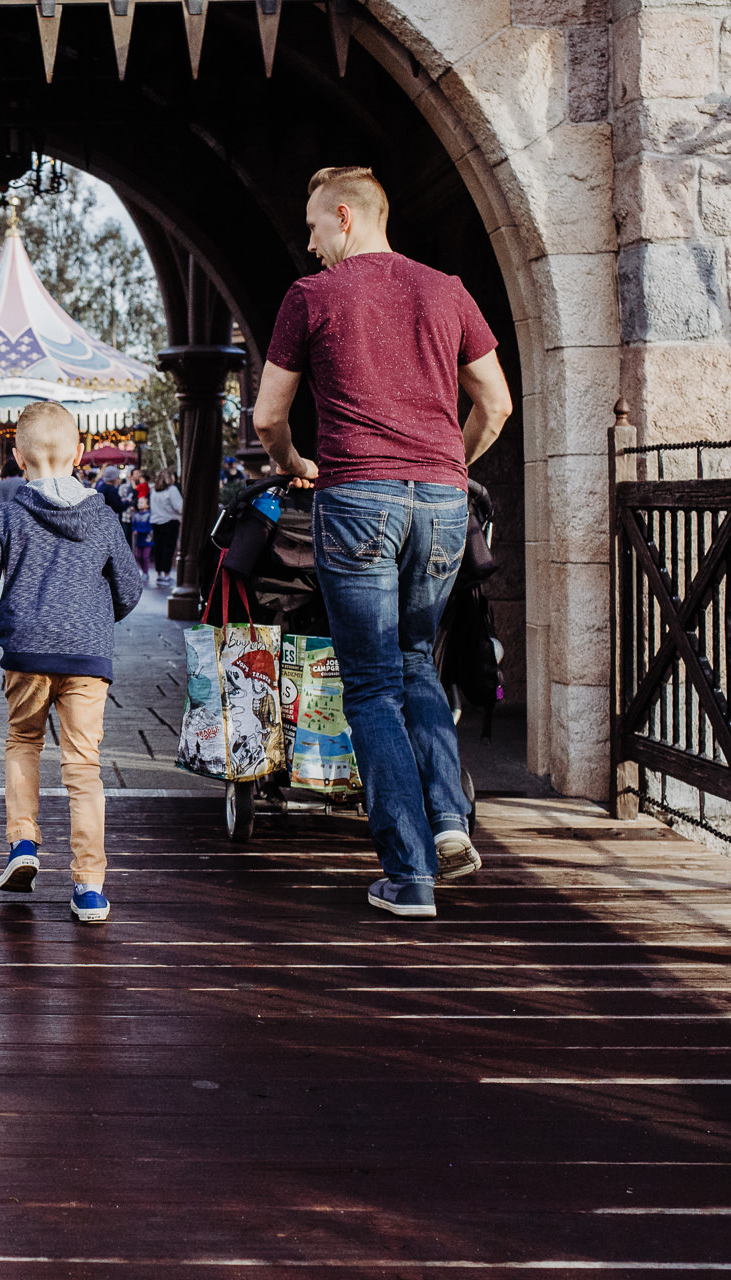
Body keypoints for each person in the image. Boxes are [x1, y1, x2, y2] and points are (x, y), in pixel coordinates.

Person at [252, 165, 513, 920]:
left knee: (368, 685)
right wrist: (448, 467)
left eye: (312, 228)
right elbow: (494, 403)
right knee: (417, 665)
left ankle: (409, 873)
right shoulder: (447, 290)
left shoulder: (314, 298)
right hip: (440, 501)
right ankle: (449, 824)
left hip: (357, 495)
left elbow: (272, 415)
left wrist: (296, 465)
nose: (308, 245)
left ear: (345, 216)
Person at [0, 403, 145, 923]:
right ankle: (89, 887)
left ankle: (23, 844)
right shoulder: (104, 516)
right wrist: (94, 618)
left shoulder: (7, 515)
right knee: (83, 768)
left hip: (27, 654)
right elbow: (128, 590)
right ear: (80, 455)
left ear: (18, 458)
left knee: (23, 743)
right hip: (88, 658)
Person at [150, 471, 183, 588]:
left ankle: (159, 573)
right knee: (168, 548)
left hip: (156, 521)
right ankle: (166, 574)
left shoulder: (154, 491)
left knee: (158, 548)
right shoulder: (172, 490)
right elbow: (179, 507)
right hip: (169, 521)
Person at [130, 494, 154, 581]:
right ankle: (143, 571)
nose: (140, 504)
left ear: (147, 505)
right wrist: (134, 530)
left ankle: (145, 572)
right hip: (139, 539)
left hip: (147, 539)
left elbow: (150, 528)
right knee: (139, 556)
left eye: (142, 502)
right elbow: (133, 526)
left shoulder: (148, 516)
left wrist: (148, 537)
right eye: (139, 502)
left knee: (145, 556)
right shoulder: (136, 516)